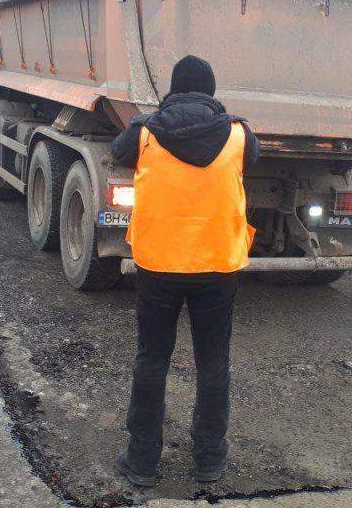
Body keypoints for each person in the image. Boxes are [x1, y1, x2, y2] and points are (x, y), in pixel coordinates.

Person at [110, 55, 259, 486]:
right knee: (213, 363)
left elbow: (117, 155)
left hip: (159, 264)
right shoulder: (239, 133)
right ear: (211, 92)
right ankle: (209, 460)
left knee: (151, 360)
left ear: (172, 90)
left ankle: (142, 462)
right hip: (217, 264)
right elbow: (249, 162)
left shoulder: (144, 131)